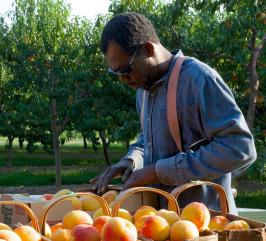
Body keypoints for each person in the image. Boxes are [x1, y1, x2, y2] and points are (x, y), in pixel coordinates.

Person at [92, 12, 257, 214]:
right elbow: (150, 140)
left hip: (205, 224)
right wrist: (131, 159)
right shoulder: (143, 90)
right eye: (116, 73)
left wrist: (157, 171)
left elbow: (240, 148)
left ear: (148, 49)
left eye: (126, 70)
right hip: (162, 222)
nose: (123, 80)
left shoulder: (198, 80)